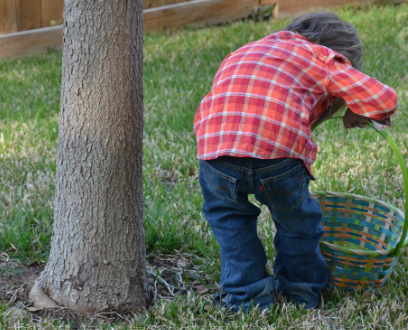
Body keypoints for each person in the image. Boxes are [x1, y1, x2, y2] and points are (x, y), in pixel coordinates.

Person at [193, 12, 398, 312]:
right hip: (278, 153)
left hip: (215, 148)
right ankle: (299, 294)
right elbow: (384, 98)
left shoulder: (246, 50)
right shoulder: (322, 57)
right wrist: (357, 106)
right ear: (340, 55)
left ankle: (245, 299)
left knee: (230, 223)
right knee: (298, 223)